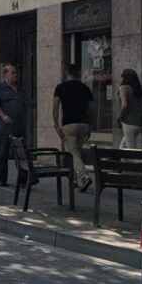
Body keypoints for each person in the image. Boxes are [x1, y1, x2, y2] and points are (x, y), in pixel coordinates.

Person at [53, 63, 94, 191]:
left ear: (67, 74)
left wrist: (56, 125)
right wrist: (90, 126)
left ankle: (84, 176)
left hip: (69, 124)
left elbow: (55, 107)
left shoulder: (60, 88)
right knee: (78, 152)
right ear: (79, 74)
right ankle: (76, 179)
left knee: (73, 153)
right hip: (83, 124)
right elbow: (90, 109)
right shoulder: (85, 88)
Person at [0, 63, 27, 187]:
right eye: (12, 73)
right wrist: (4, 116)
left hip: (18, 126)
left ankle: (24, 179)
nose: (15, 75)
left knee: (21, 154)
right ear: (5, 74)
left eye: (16, 73)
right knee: (3, 154)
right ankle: (2, 179)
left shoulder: (19, 88)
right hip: (4, 128)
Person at [118, 68, 142, 149]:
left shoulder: (123, 88)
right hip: (140, 123)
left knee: (131, 149)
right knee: (122, 147)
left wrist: (120, 117)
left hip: (128, 122)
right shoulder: (138, 90)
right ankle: (119, 159)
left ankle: (134, 161)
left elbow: (124, 105)